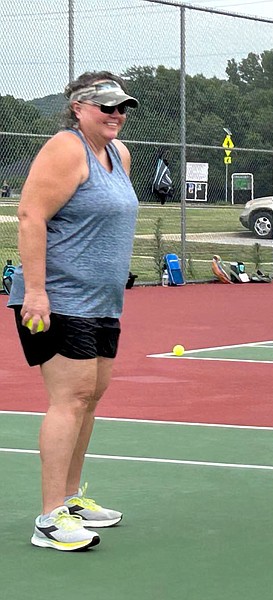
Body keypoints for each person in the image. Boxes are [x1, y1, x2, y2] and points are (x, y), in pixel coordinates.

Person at [6, 72, 139, 551]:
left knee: (91, 396)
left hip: (102, 302)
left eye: (122, 106)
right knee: (70, 398)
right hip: (57, 300)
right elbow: (29, 215)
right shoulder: (66, 149)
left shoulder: (118, 155)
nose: (115, 114)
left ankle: (69, 499)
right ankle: (48, 518)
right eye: (105, 106)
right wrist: (36, 291)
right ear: (79, 107)